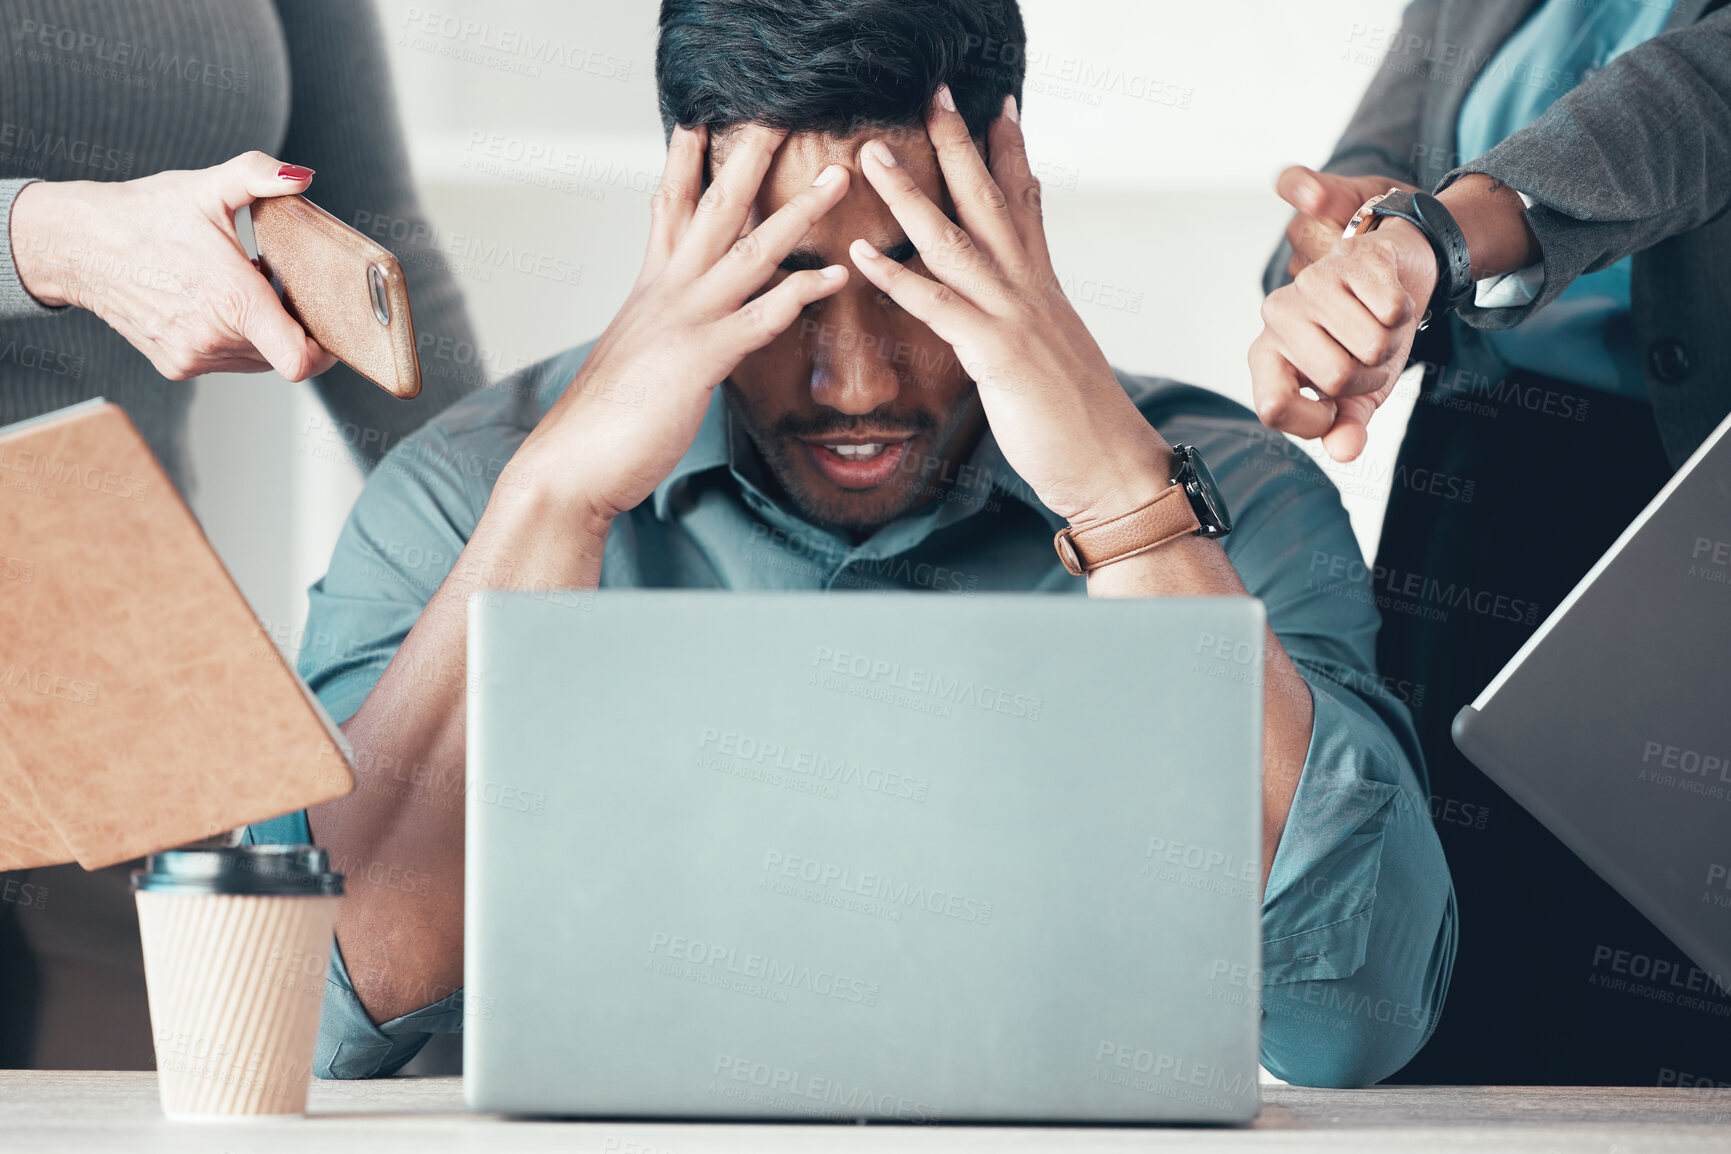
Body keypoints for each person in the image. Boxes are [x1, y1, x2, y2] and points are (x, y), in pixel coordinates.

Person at [249, 0, 1456, 1089]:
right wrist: (557, 503)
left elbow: (1352, 1015)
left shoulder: (1228, 496)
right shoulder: (475, 494)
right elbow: (307, 1017)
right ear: (682, 226)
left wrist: (1117, 498)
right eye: (785, 277)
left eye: (918, 269)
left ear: (1014, 217)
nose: (857, 379)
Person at [1250, 0, 1731, 1084]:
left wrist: (1430, 237)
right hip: (1476, 483)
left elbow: (1680, 111)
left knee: (1667, 976)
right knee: (1453, 953)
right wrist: (1342, 250)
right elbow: (1375, 165)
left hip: (1681, 502)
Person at [0, 0, 482, 1069]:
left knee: (193, 1086)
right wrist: (49, 240)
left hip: (105, 656)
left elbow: (374, 247)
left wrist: (518, 535)